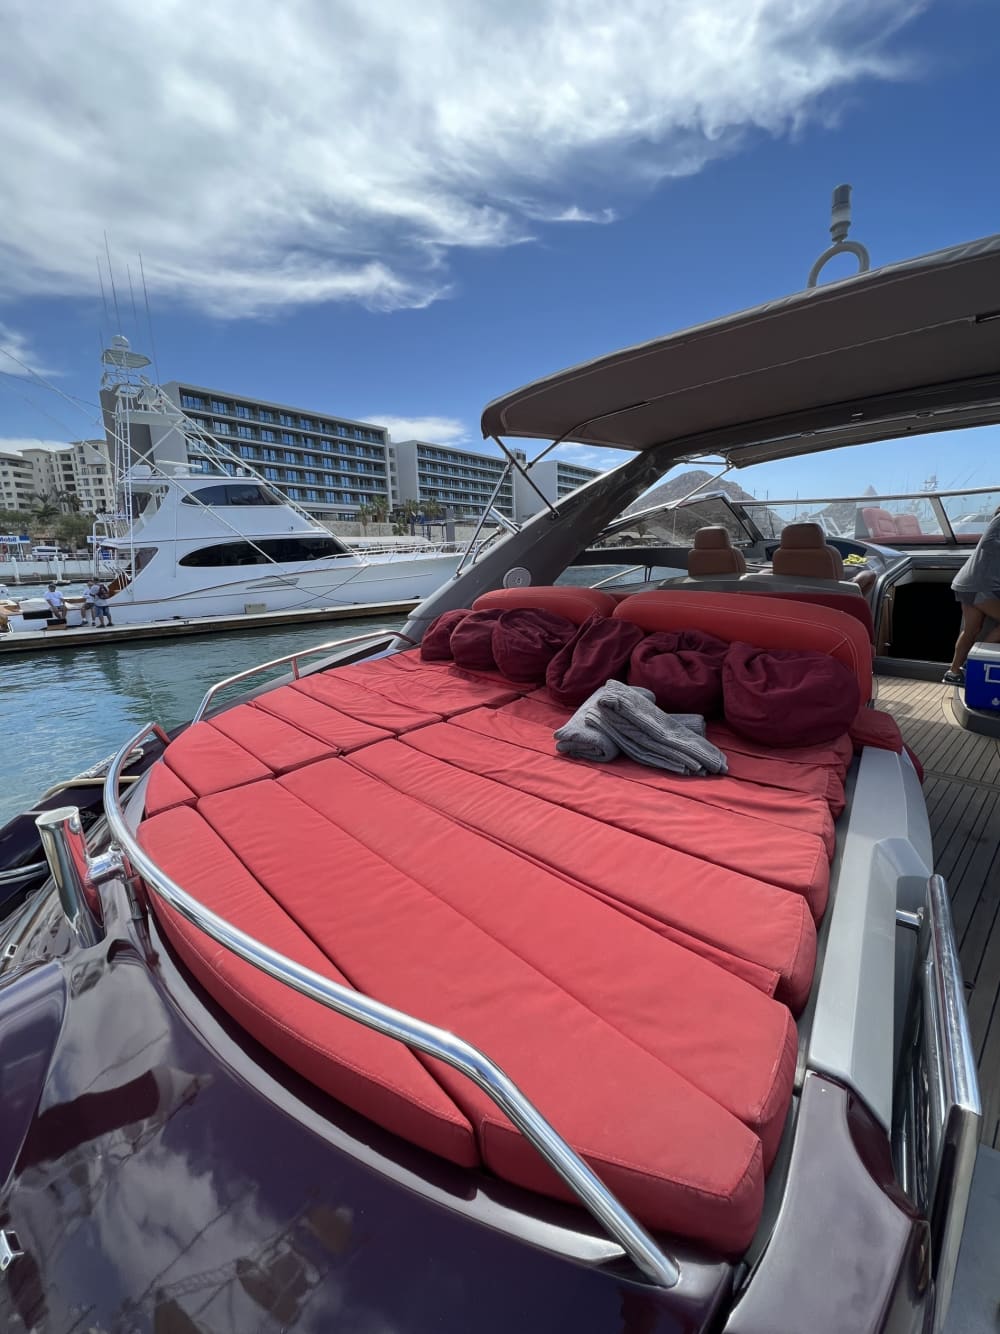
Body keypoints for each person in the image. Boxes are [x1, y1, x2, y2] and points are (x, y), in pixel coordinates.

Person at [943, 505, 1000, 684]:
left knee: (971, 630)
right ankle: (971, 665)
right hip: (981, 584)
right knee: (972, 629)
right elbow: (990, 543)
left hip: (969, 582)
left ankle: (953, 672)